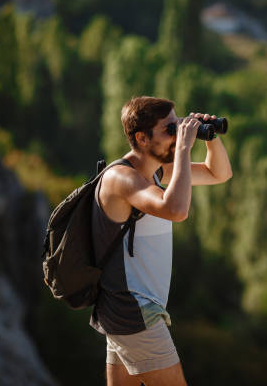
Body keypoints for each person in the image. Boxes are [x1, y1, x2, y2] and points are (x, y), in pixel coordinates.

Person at [89, 96, 232, 385]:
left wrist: (209, 136)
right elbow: (176, 209)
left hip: (124, 310)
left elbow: (219, 174)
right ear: (141, 138)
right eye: (169, 129)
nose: (176, 134)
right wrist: (182, 148)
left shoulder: (153, 171)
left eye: (176, 126)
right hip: (134, 310)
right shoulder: (121, 178)